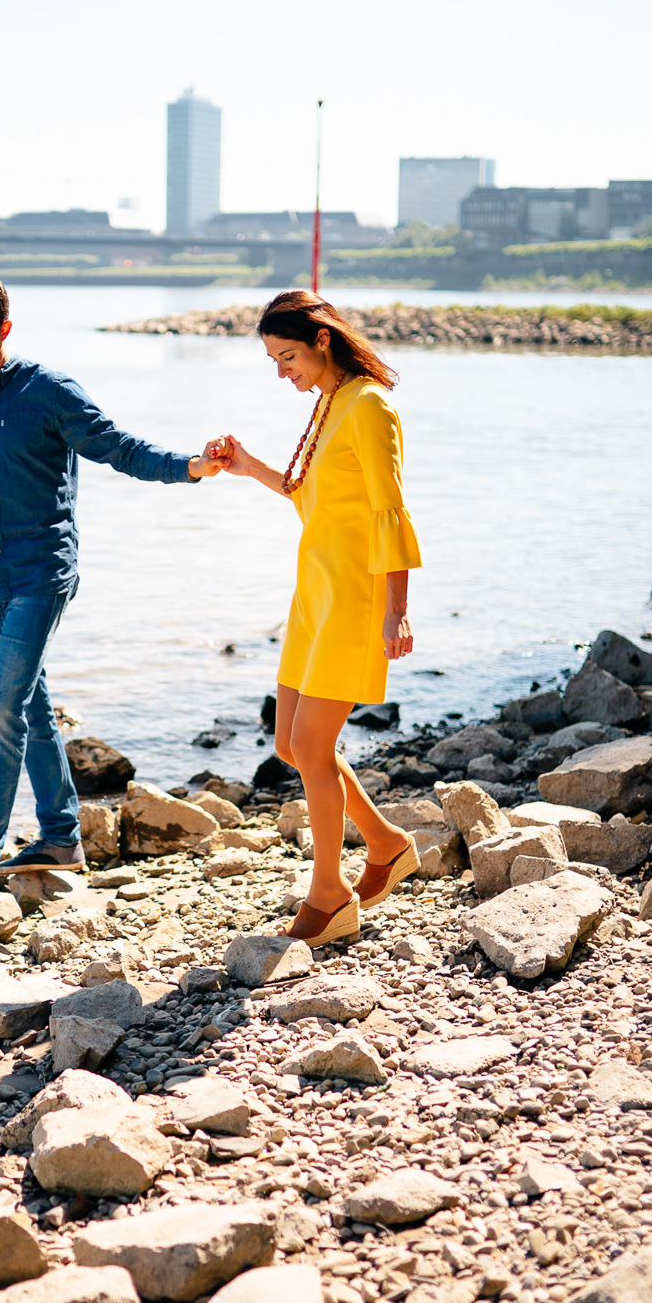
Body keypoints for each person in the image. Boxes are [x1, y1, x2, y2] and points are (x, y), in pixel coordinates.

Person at [0, 272, 230, 920]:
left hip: (43, 575)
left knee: (2, 706)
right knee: (28, 705)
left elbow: (117, 448)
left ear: (4, 330)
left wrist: (189, 466)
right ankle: (61, 837)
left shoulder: (49, 393)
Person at [216, 291, 423, 947]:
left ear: (323, 342)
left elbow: (391, 510)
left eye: (288, 356)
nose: (283, 372)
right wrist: (248, 466)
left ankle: (329, 892)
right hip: (314, 596)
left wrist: (398, 610)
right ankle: (387, 844)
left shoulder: (369, 406)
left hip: (357, 598)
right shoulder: (330, 405)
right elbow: (313, 498)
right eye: (274, 360)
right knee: (290, 743)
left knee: (310, 746)